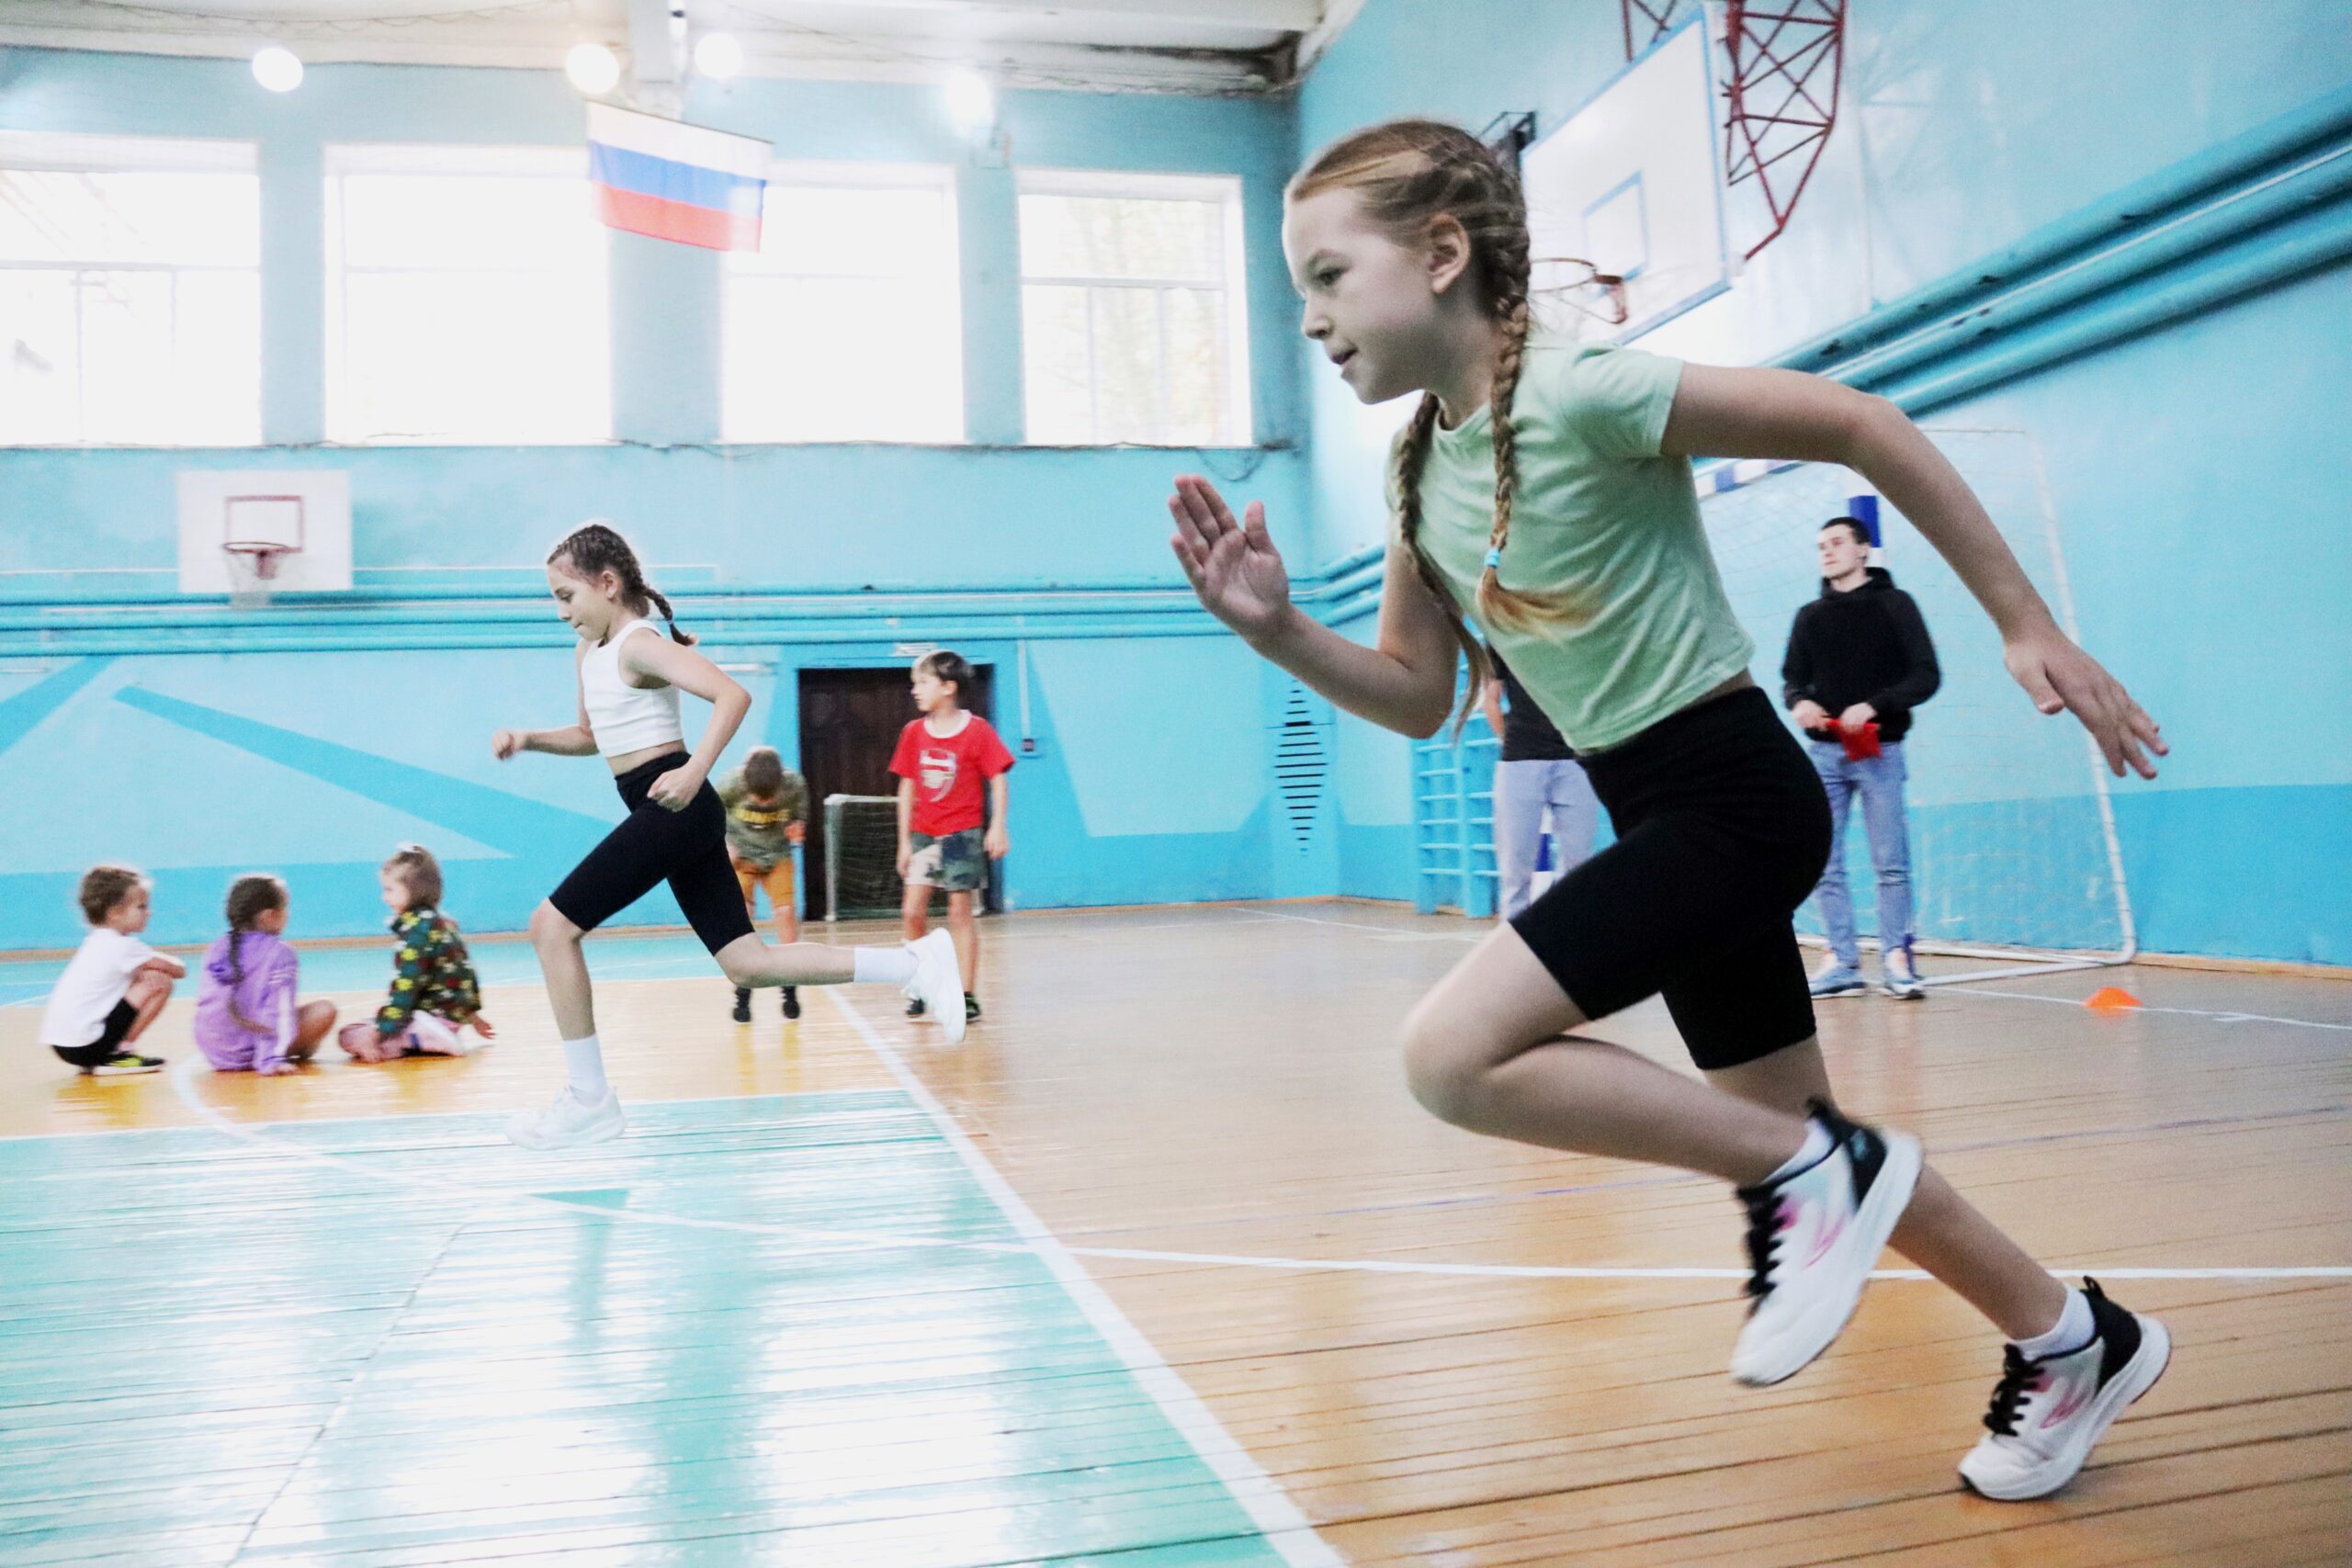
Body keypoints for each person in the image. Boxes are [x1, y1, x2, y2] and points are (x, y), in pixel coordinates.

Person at [1164, 118, 2169, 1500]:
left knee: (1454, 1055)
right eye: (1302, 294)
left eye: (1332, 276)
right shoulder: (1419, 477)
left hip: (1737, 799)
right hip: (1665, 821)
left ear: (1443, 253)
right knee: (1814, 1141)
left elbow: (1860, 423)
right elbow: (1412, 691)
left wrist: (2022, 621)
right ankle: (2071, 1336)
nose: (1315, 319)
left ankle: (1812, 1173)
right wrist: (1274, 630)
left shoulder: (1588, 390)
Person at [493, 522, 965, 1148]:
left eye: (565, 596)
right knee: (748, 964)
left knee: (550, 927)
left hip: (674, 804)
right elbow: (590, 737)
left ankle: (590, 1100)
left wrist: (693, 772)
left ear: (606, 584)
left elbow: (730, 695)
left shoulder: (639, 643)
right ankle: (915, 961)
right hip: (667, 808)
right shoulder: (592, 653)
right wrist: (530, 738)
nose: (560, 612)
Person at [1784, 517, 1940, 999]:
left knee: (1889, 861)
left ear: (1863, 551)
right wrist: (1799, 703)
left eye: (1836, 543)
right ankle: (1841, 961)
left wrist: (1875, 705)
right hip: (1824, 756)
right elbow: (1792, 679)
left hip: (1879, 751)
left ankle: (1897, 958)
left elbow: (1926, 676)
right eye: (1821, 547)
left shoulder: (1897, 605)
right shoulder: (1809, 616)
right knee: (1823, 862)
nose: (1827, 552)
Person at [891, 650, 1012, 1028]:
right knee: (913, 911)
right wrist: (904, 841)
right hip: (925, 835)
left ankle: (966, 993)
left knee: (961, 912)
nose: (915, 690)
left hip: (963, 834)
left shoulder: (977, 731)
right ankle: (919, 984)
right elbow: (907, 787)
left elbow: (998, 778)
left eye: (923, 682)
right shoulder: (913, 733)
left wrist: (998, 826)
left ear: (948, 687)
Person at [337, 845, 496, 1064]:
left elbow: (405, 989)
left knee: (349, 1035)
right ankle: (430, 1035)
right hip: (452, 1021)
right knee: (376, 1029)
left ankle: (422, 1034)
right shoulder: (444, 923)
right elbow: (463, 975)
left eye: (390, 890)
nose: (384, 898)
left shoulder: (415, 933)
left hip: (430, 1018)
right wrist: (473, 1016)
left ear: (413, 889)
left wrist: (377, 1033)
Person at [1479, 648, 1599, 919]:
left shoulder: (1572, 629)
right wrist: (1508, 739)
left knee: (1579, 861)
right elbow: (1491, 699)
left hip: (1574, 759)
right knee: (1516, 868)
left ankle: (1566, 933)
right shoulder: (1501, 636)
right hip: (1520, 761)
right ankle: (1515, 937)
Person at [40, 864, 184, 1077]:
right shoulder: (123, 946)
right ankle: (118, 1053)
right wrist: (152, 969)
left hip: (62, 1045)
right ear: (115, 913)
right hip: (87, 1046)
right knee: (161, 981)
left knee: (145, 977)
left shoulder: (96, 942)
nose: (149, 912)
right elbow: (179, 970)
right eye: (142, 907)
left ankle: (108, 1053)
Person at [192, 874, 338, 1074]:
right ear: (270, 916)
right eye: (285, 908)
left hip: (216, 1053)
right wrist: (271, 1059)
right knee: (325, 1010)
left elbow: (208, 1004)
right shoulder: (280, 953)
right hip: (250, 1052)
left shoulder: (216, 947)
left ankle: (287, 1049)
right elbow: (277, 1010)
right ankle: (289, 1050)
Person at [717, 745, 808, 1021]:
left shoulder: (794, 786)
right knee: (743, 919)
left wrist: (797, 828)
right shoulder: (730, 785)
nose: (766, 803)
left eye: (771, 799)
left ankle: (789, 989)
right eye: (759, 798)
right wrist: (724, 845)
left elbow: (799, 817)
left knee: (785, 913)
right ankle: (742, 994)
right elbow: (707, 816)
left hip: (777, 854)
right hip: (741, 855)